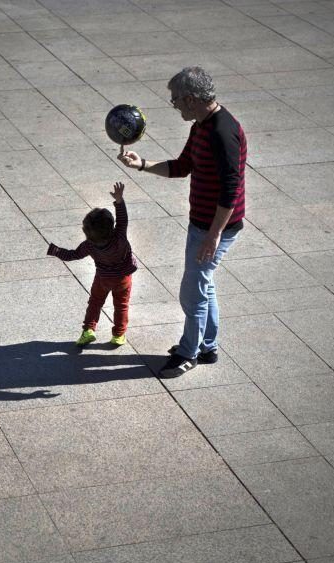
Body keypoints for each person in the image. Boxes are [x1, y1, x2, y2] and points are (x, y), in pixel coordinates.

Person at [118, 66, 247, 378]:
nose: (173, 104)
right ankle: (208, 346)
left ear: (191, 99)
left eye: (175, 100)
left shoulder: (222, 133)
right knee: (203, 285)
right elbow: (183, 166)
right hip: (202, 223)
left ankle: (189, 353)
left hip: (216, 227)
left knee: (191, 291)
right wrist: (143, 164)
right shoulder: (201, 126)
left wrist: (213, 236)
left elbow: (232, 190)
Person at [46, 181, 138, 347]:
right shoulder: (119, 237)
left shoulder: (89, 245)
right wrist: (119, 200)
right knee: (121, 305)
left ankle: (88, 330)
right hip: (124, 279)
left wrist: (56, 250)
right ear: (111, 227)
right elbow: (123, 219)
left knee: (95, 302)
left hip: (102, 279)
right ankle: (118, 335)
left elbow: (73, 255)